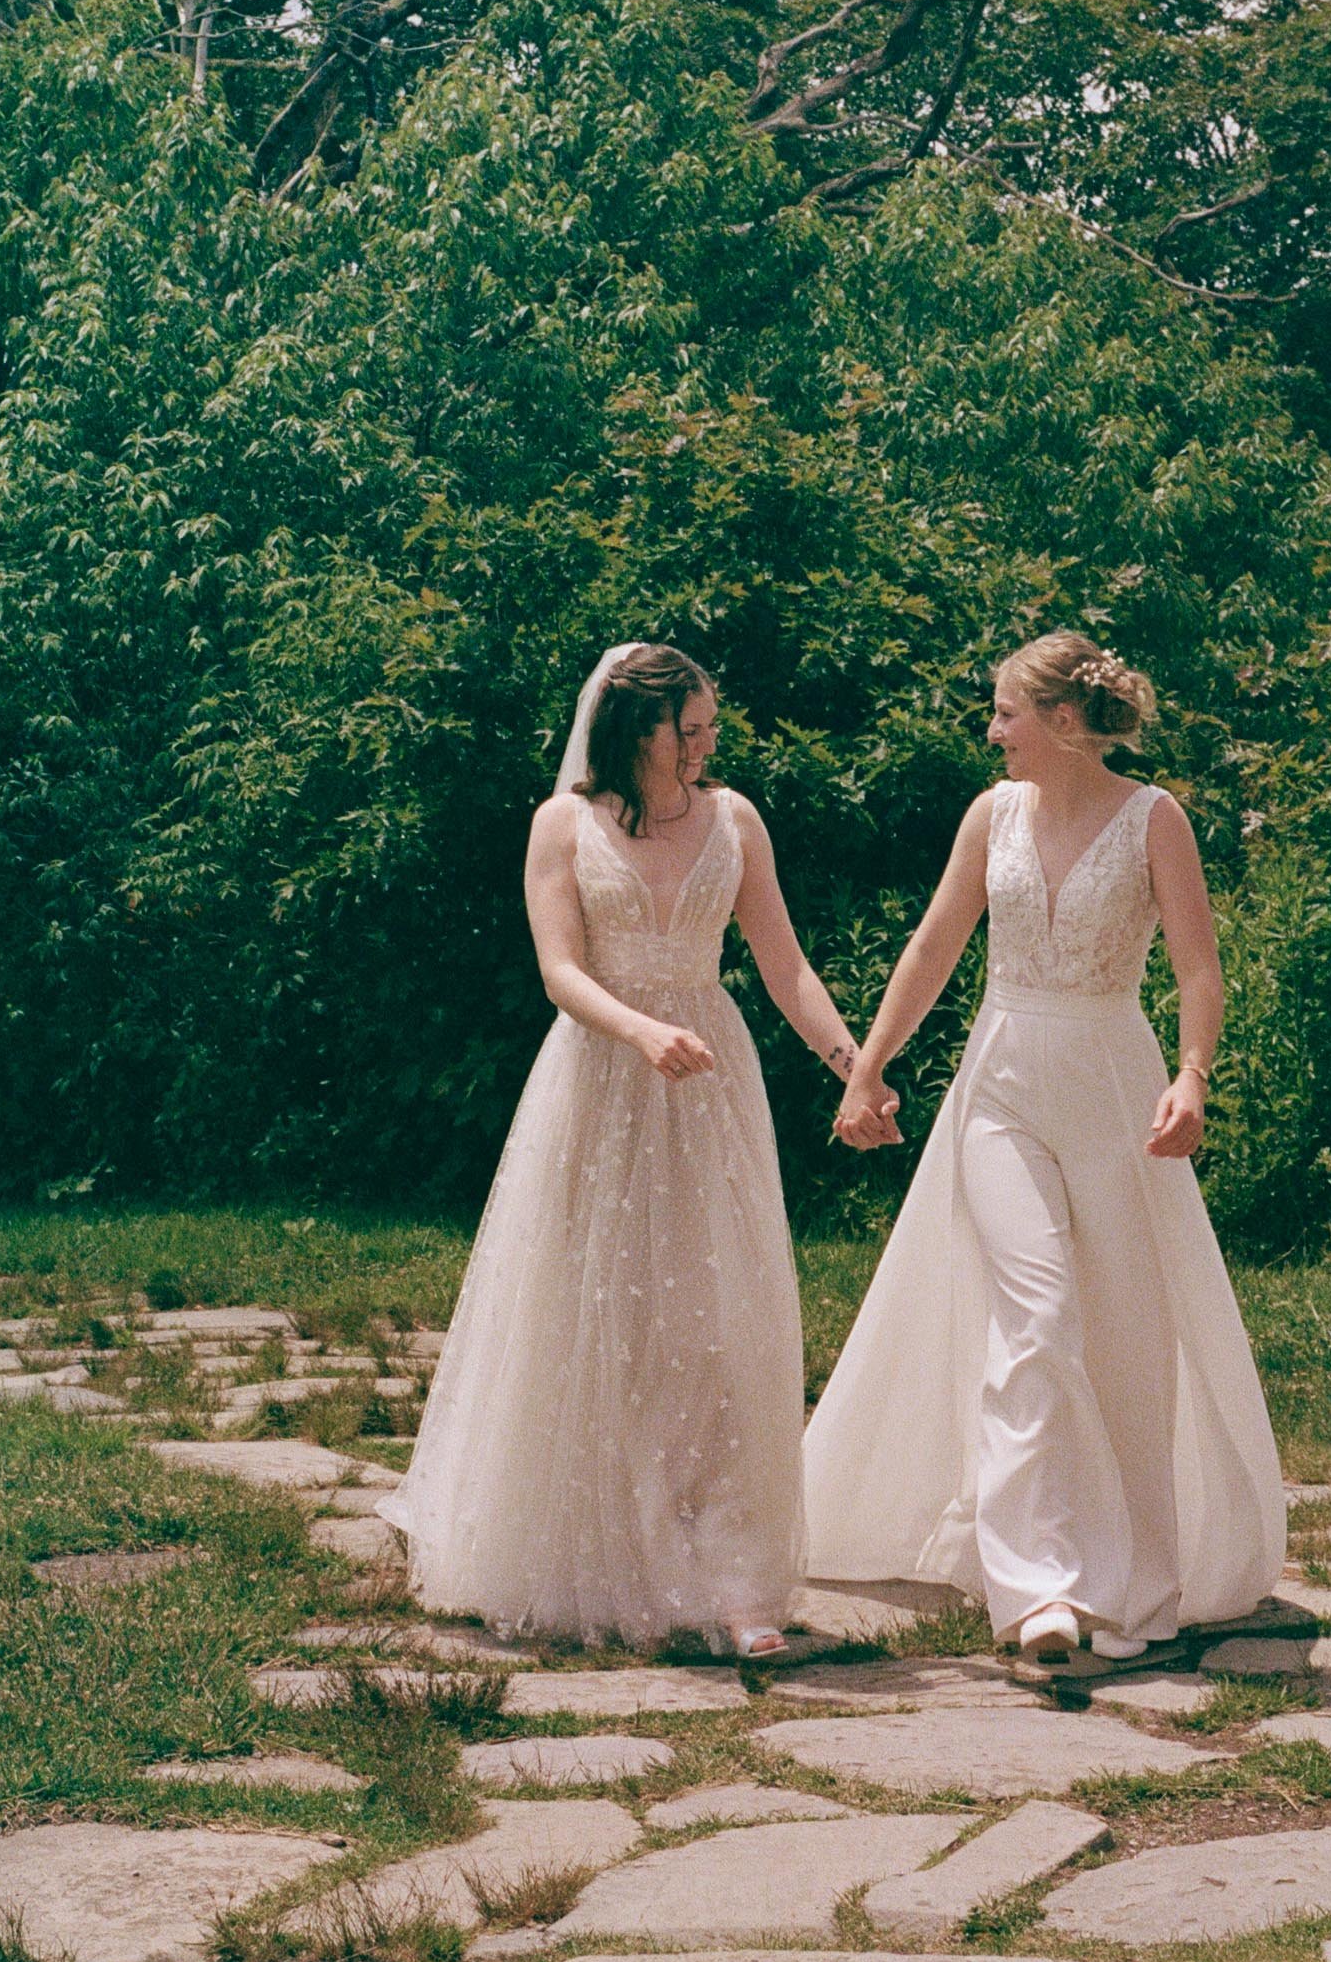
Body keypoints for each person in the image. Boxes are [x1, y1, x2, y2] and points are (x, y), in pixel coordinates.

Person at [805, 633, 1284, 1665]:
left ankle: (1135, 1576)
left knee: (1121, 1336)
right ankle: (1035, 1589)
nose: (991, 730)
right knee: (1034, 1316)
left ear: (1064, 724)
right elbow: (933, 945)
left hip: (1113, 1087)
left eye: (1005, 712)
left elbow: (1198, 971)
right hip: (1002, 1087)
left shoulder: (1155, 820)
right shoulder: (990, 816)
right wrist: (867, 1066)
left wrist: (1190, 1076)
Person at [388, 642, 867, 1656]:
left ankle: (736, 1578)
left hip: (708, 1084)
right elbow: (560, 970)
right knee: (606, 1316)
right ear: (632, 731)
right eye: (684, 729)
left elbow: (783, 964)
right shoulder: (561, 826)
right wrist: (640, 1029)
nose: (702, 745)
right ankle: (613, 1559)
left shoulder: (734, 821)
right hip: (604, 1079)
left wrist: (848, 1061)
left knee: (720, 1322)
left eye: (707, 729)